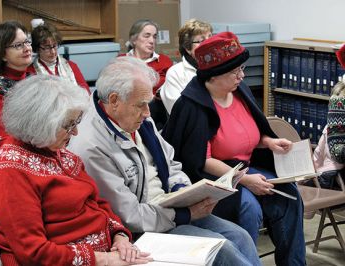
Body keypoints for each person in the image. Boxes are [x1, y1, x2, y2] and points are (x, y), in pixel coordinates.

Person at [68, 56, 261, 266]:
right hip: (143, 228)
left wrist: (185, 191)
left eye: (148, 103)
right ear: (114, 100)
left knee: (241, 236)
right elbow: (127, 215)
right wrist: (184, 214)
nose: (148, 113)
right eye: (142, 105)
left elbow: (171, 161)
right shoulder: (91, 145)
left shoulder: (133, 113)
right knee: (222, 249)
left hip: (170, 206)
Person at [162, 32, 305, 266]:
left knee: (289, 195)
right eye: (235, 71)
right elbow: (199, 159)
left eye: (242, 69)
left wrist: (268, 142)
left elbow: (247, 134)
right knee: (248, 207)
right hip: (214, 176)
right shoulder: (192, 105)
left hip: (245, 166)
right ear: (214, 76)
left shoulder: (239, 91)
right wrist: (247, 180)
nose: (242, 75)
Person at [0, 74, 151, 266]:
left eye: (76, 123)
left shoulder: (56, 150)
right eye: (69, 125)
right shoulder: (11, 172)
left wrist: (120, 237)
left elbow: (96, 204)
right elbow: (33, 252)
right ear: (40, 124)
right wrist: (103, 259)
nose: (76, 132)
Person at [0, 21, 32, 155]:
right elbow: (2, 142)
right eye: (18, 45)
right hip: (15, 159)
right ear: (2, 54)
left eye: (27, 42)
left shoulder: (34, 79)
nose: (27, 48)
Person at [121, 19, 173, 130]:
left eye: (154, 37)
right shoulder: (122, 61)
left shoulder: (164, 61)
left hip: (159, 114)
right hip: (130, 112)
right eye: (147, 36)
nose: (152, 41)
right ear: (134, 40)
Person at [160, 19, 212, 114]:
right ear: (188, 48)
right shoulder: (175, 73)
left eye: (210, 38)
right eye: (202, 40)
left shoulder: (220, 67)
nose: (209, 43)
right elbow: (179, 112)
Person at [27, 22, 90, 94]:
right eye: (47, 47)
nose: (53, 51)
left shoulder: (71, 66)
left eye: (54, 46)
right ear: (37, 48)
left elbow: (86, 93)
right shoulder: (30, 72)